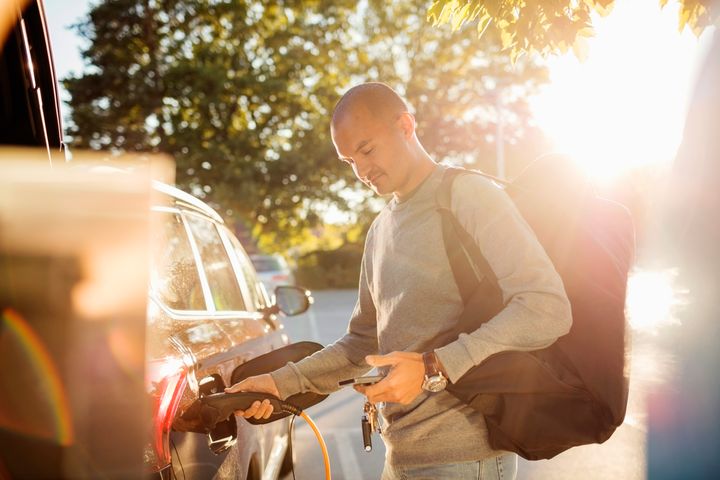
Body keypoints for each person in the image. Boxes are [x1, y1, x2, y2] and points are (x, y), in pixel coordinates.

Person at [225, 82, 572, 479]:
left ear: (406, 126)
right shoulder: (380, 229)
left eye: (367, 149)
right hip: (400, 457)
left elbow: (546, 308)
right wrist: (276, 383)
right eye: (348, 161)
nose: (361, 171)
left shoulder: (468, 195)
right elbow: (362, 344)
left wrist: (433, 365)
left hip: (465, 459)